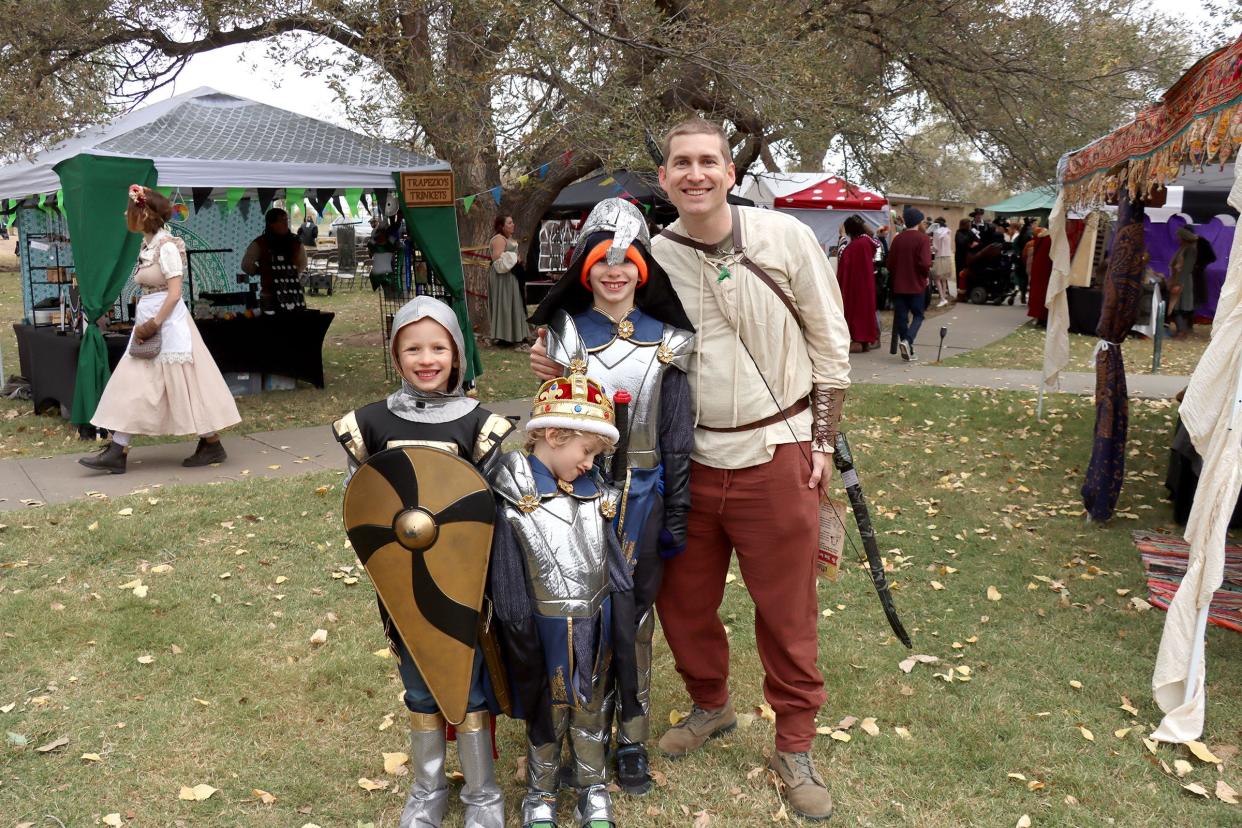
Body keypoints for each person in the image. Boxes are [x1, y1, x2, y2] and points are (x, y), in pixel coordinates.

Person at [532, 118, 849, 821]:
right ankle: (711, 704)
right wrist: (550, 354)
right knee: (680, 602)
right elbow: (599, 306)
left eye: (709, 161)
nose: (696, 174)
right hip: (687, 461)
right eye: (682, 163)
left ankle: (794, 742)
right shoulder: (656, 252)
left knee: (786, 609)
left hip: (777, 449)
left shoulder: (785, 239)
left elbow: (832, 345)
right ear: (666, 178)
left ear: (731, 172)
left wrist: (822, 443)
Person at [527, 197, 695, 795]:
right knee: (585, 620)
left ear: (643, 269)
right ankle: (582, 736)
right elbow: (550, 428)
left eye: (626, 261)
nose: (615, 271)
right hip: (580, 493)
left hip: (645, 498)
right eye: (603, 260)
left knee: (638, 620)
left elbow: (675, 432)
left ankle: (632, 739)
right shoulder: (566, 336)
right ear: (586, 267)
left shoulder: (670, 341)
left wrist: (677, 508)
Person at [332, 296, 515, 828]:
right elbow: (362, 504)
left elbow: (493, 510)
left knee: (471, 681)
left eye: (439, 347)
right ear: (396, 355)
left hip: (467, 584)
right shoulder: (368, 425)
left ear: (457, 354)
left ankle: (484, 795)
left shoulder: (480, 427)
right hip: (403, 583)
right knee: (417, 682)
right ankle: (427, 788)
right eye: (413, 347)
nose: (426, 358)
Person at [488, 375, 630, 828]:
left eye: (595, 455)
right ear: (553, 434)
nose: (590, 463)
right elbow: (506, 581)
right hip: (542, 630)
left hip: (595, 624)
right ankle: (540, 794)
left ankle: (592, 787)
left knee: (592, 709)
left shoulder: (597, 499)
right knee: (545, 711)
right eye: (585, 452)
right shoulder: (512, 498)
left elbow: (614, 571)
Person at [80, 185, 240, 474]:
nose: (126, 215)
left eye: (131, 211)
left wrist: (153, 324)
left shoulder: (166, 246)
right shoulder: (150, 244)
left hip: (166, 324)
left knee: (179, 385)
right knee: (137, 383)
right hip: (151, 321)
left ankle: (122, 450)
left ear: (144, 214)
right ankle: (122, 448)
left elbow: (175, 292)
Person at [241, 208, 308, 314]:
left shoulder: (295, 242)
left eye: (286, 219)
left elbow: (303, 264)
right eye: (281, 220)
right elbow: (246, 264)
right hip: (269, 296)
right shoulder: (260, 243)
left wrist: (290, 273)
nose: (286, 223)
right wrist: (262, 271)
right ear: (271, 224)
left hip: (293, 294)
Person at [888, 205, 931, 361]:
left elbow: (890, 263)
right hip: (916, 283)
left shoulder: (898, 239)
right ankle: (908, 341)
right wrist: (925, 276)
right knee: (918, 315)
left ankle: (908, 348)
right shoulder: (923, 239)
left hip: (899, 283)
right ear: (919, 222)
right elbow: (925, 263)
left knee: (901, 317)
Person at [836, 215, 880, 351]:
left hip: (855, 286)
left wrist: (842, 236)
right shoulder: (867, 242)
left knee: (856, 313)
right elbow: (872, 234)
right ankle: (865, 340)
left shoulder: (855, 246)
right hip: (867, 284)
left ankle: (858, 341)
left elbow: (842, 256)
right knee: (866, 311)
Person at [489, 214, 529, 348]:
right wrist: (514, 257)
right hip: (503, 277)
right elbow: (496, 258)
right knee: (505, 303)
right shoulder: (498, 239)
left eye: (513, 222)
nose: (513, 225)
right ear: (502, 226)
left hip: (512, 275)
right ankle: (504, 337)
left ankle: (516, 334)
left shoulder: (509, 238)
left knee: (515, 302)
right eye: (510, 223)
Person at [1167, 226, 1202, 338]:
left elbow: (1187, 268)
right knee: (1176, 307)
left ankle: (1182, 331)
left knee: (1180, 307)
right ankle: (1180, 330)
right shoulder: (1183, 248)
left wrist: (1179, 284)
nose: (1178, 239)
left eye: (1180, 237)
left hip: (1184, 281)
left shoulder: (1190, 250)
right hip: (1178, 279)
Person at [367, 226, 401, 298]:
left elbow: (370, 243)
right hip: (383, 274)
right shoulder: (387, 244)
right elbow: (369, 244)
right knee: (389, 290)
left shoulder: (387, 245)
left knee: (389, 292)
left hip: (384, 275)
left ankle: (390, 295)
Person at [929, 216, 954, 307]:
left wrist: (929, 247)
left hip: (940, 257)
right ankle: (944, 297)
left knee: (937, 278)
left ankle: (942, 299)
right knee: (944, 279)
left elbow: (935, 248)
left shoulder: (936, 233)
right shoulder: (948, 231)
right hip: (948, 256)